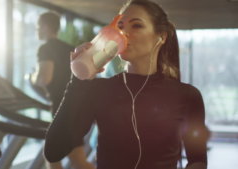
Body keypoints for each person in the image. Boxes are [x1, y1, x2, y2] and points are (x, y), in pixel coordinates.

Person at [44, 0, 210, 169]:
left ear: (161, 36)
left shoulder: (187, 96)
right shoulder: (100, 90)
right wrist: (78, 80)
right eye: (120, 27)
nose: (123, 33)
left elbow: (197, 160)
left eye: (136, 26)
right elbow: (53, 151)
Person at [30, 11, 93, 169]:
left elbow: (44, 78)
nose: (36, 30)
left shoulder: (45, 49)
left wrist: (31, 77)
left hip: (62, 109)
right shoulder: (70, 48)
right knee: (75, 159)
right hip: (77, 106)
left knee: (55, 156)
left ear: (45, 27)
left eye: (37, 26)